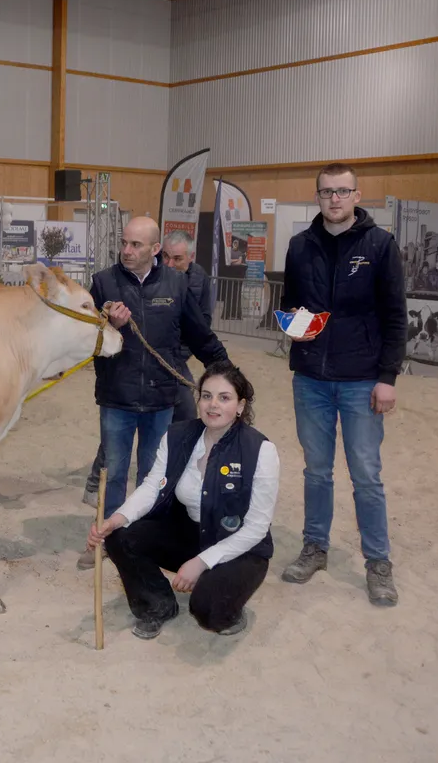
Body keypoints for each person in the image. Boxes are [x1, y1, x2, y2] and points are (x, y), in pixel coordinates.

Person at [278, 162, 405, 607]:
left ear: (356, 195)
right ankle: (315, 547)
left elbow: (394, 316)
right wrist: (295, 332)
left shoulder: (380, 245)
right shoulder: (299, 246)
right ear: (317, 197)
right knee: (317, 470)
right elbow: (290, 306)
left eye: (342, 191)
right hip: (311, 379)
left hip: (361, 381)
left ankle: (378, 562)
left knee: (366, 475)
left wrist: (387, 377)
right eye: (326, 191)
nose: (334, 198)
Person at [78, 216, 229, 570]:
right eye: (124, 243)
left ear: (155, 249)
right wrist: (107, 326)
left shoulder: (176, 284)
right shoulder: (103, 282)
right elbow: (85, 340)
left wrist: (226, 373)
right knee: (113, 471)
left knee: (152, 475)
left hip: (162, 399)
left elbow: (199, 334)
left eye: (136, 245)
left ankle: (142, 540)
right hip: (116, 397)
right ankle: (106, 539)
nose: (127, 251)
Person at [86, 360, 278, 639]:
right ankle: (158, 605)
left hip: (239, 546)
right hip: (191, 532)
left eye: (224, 398)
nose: (213, 405)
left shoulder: (261, 450)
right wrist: (115, 519)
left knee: (208, 611)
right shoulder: (178, 434)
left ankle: (228, 604)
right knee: (120, 535)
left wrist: (201, 562)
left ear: (240, 406)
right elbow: (152, 487)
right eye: (207, 396)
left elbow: (257, 528)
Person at [160, 230, 214, 423]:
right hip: (147, 353)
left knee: (187, 413)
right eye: (165, 256)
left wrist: (179, 356)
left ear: (191, 257)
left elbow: (203, 324)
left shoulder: (200, 279)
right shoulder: (149, 273)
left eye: (177, 259)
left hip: (177, 358)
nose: (169, 264)